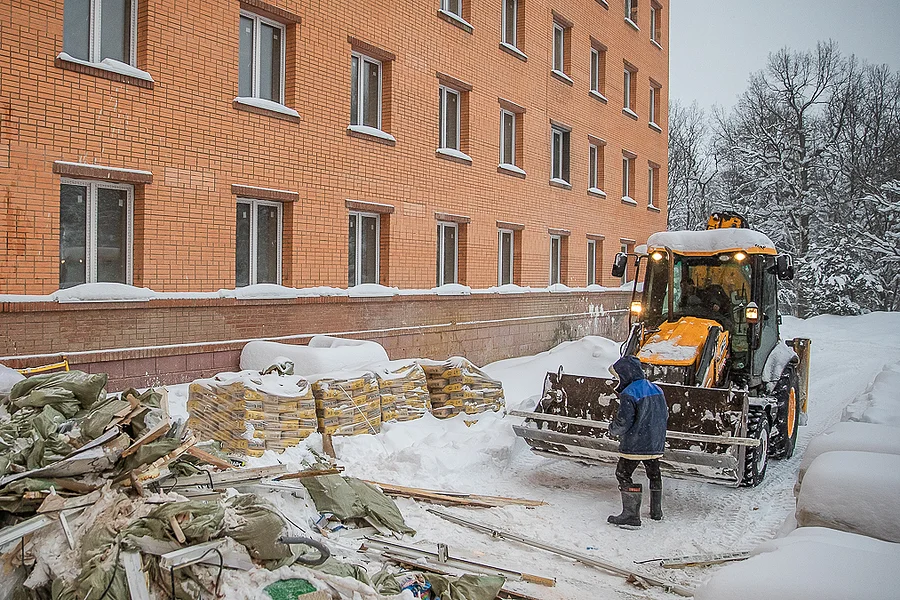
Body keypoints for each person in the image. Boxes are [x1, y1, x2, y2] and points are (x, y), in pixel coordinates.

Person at [607, 355, 669, 528]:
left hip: (635, 444)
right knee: (654, 473)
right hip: (655, 443)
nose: (616, 380)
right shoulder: (657, 389)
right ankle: (656, 512)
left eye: (617, 376)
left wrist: (612, 429)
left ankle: (631, 515)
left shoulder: (629, 393)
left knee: (623, 473)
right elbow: (665, 415)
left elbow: (624, 422)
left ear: (626, 374)